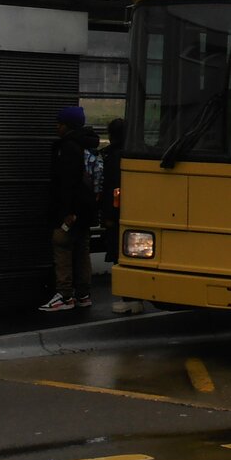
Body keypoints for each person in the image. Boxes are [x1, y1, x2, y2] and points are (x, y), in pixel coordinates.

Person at [40, 106, 100, 312]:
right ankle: (83, 294)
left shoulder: (67, 148)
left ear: (68, 125)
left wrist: (66, 212)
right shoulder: (89, 146)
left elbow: (66, 183)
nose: (57, 127)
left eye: (60, 123)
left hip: (69, 211)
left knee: (62, 245)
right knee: (82, 250)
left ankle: (64, 296)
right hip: (87, 209)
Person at [100, 118, 142, 314]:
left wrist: (109, 214)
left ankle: (129, 299)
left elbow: (113, 189)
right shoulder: (136, 154)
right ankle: (134, 297)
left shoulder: (114, 157)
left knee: (120, 254)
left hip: (118, 215)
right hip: (134, 212)